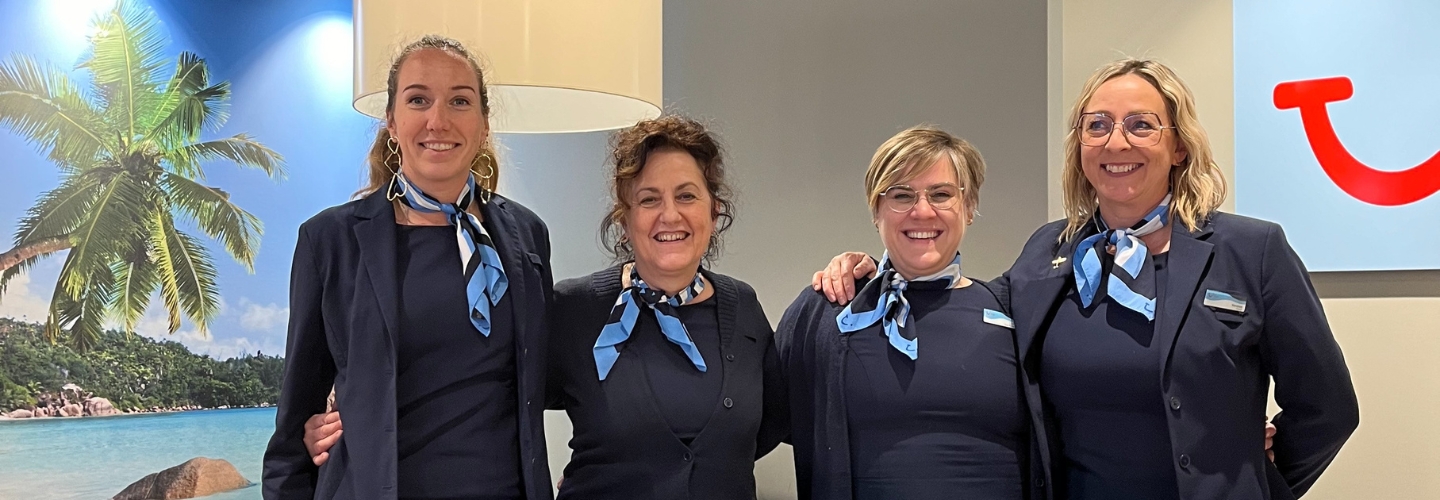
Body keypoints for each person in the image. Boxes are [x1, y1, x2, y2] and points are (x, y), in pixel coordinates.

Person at [815, 58, 1358, 500]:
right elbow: (961, 302)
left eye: (1141, 125)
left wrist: (1256, 482)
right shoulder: (1048, 253)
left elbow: (1327, 409)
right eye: (1097, 125)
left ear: (1180, 147)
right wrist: (871, 269)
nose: (1116, 143)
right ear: (1080, 146)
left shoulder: (1250, 249)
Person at [300, 116, 789, 499]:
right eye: (648, 199)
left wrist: (852, 270)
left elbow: (772, 422)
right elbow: (480, 393)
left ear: (713, 211)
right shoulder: (575, 310)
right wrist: (352, 418)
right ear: (624, 218)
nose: (670, 215)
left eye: (687, 196)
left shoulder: (744, 310)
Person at [262, 35, 555, 500]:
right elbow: (296, 420)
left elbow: (545, 373)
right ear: (393, 123)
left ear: (483, 124)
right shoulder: (329, 241)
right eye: (418, 99)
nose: (438, 120)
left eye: (460, 100)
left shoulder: (527, 235)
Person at [778, 126, 1048, 500]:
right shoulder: (828, 311)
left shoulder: (1018, 312)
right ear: (876, 210)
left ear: (969, 208)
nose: (922, 211)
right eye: (901, 196)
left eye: (941, 194)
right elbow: (758, 420)